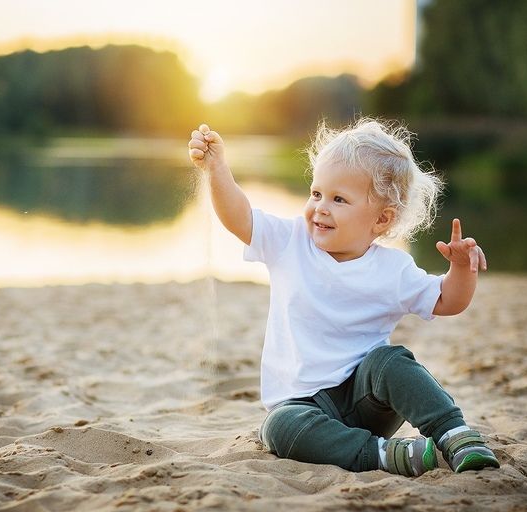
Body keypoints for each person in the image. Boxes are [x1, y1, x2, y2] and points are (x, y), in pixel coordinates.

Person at [187, 118, 501, 476]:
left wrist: (462, 269)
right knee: (278, 428)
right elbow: (239, 217)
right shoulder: (290, 241)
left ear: (382, 220)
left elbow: (447, 300)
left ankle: (455, 434)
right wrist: (218, 168)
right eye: (316, 193)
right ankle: (385, 455)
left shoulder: (393, 269)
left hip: (366, 400)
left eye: (338, 199)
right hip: (304, 407)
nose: (320, 207)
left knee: (391, 360)